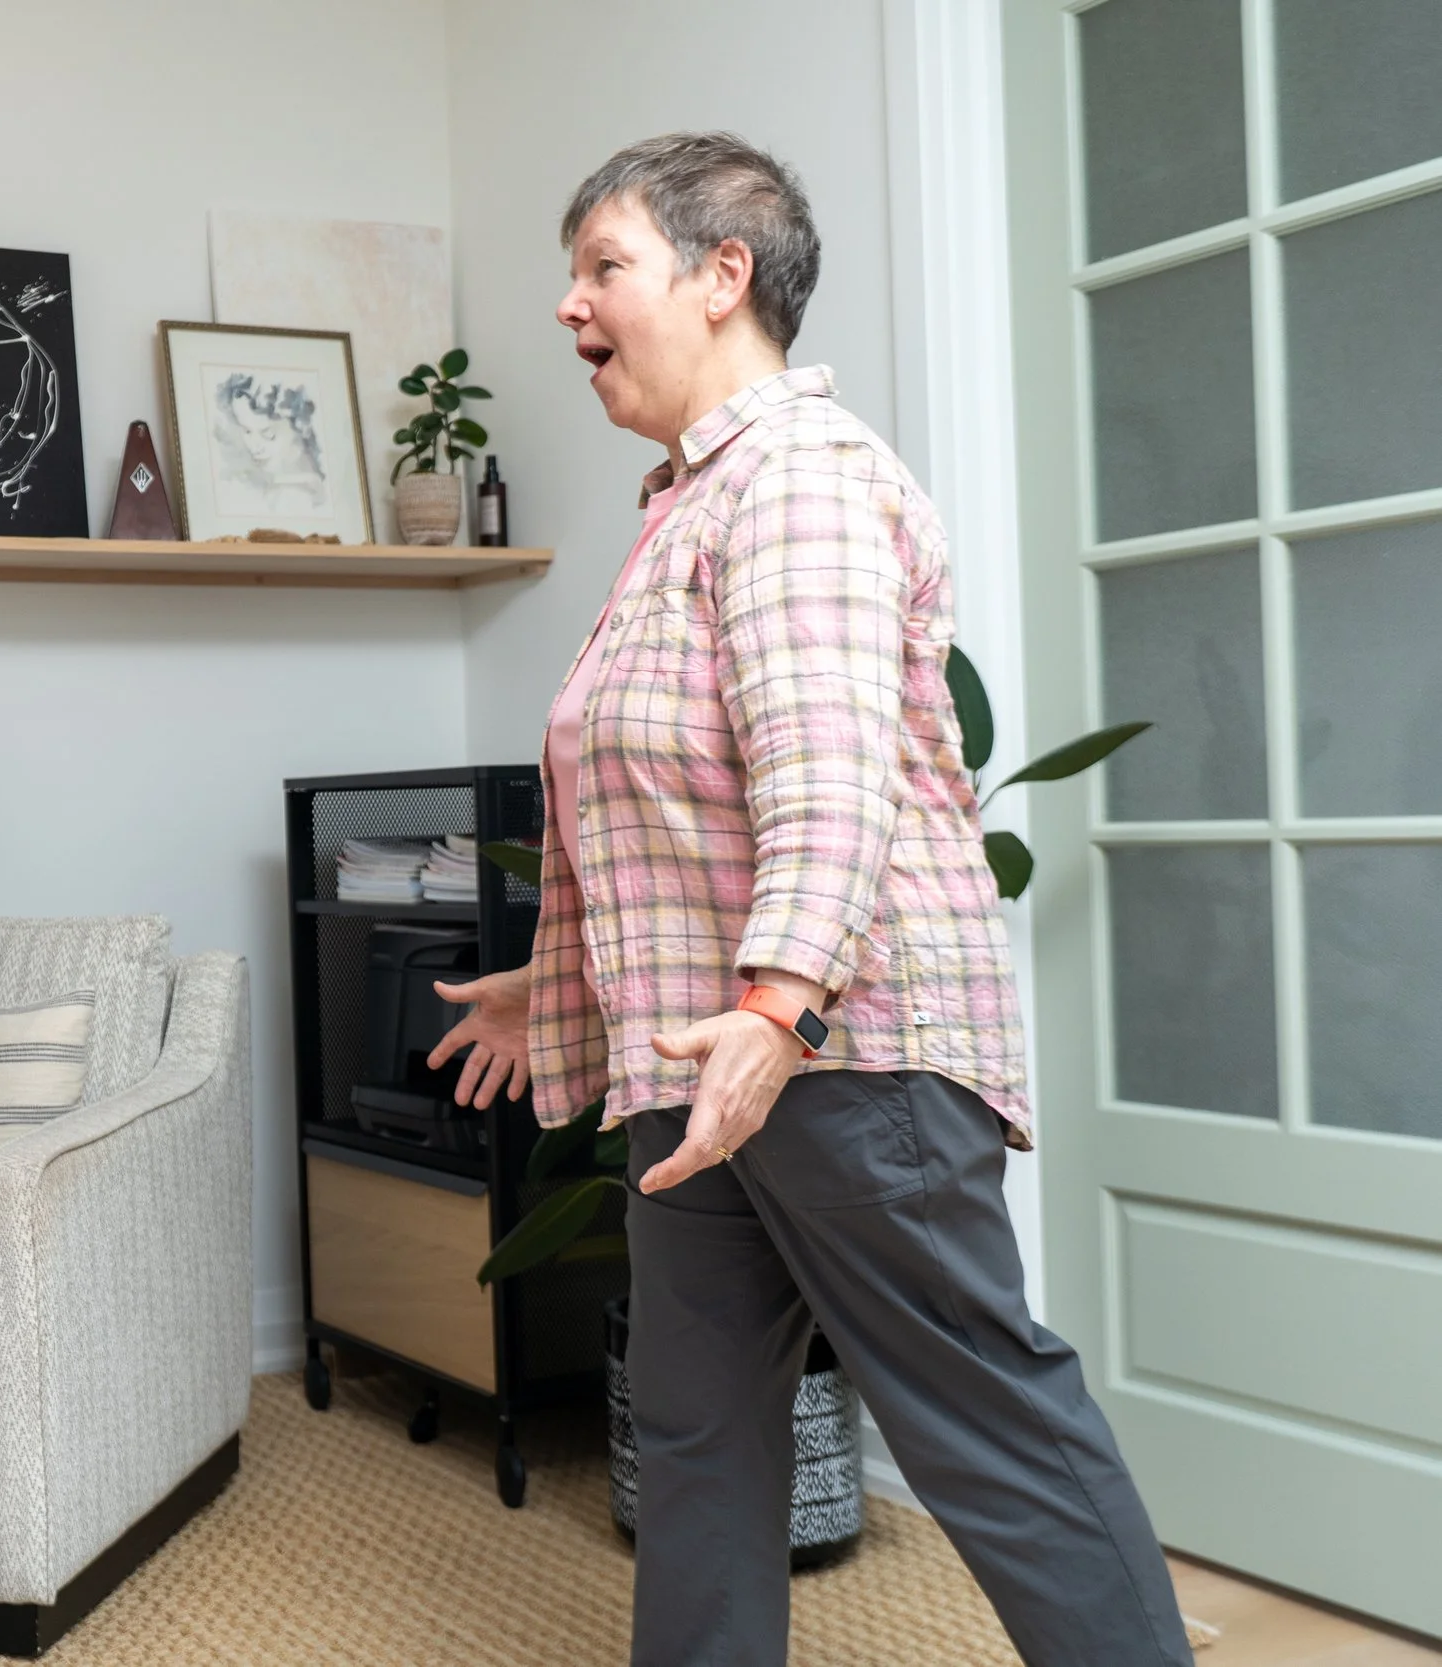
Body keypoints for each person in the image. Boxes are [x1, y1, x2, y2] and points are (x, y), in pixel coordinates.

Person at [430, 133, 1194, 1666]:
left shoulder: (801, 480)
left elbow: (826, 775)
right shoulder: (686, 508)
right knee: (702, 1439)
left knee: (992, 1422)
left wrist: (779, 1005)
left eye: (604, 268)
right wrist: (554, 979)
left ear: (723, 277)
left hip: (842, 1057)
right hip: (699, 1065)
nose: (569, 307)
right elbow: (658, 799)